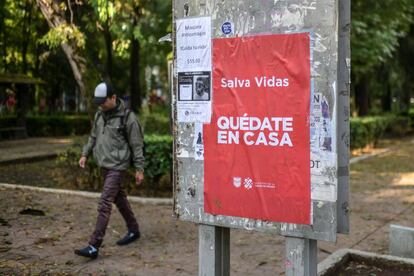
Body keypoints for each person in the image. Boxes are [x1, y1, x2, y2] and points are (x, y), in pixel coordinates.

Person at [74, 82, 145, 259]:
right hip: (104, 164)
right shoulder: (100, 114)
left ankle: (94, 245)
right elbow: (93, 136)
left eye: (103, 101)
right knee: (119, 199)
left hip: (118, 166)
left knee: (105, 202)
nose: (100, 105)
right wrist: (85, 154)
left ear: (113, 98)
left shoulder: (128, 117)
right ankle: (134, 230)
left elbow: (137, 145)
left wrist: (139, 168)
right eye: (98, 102)